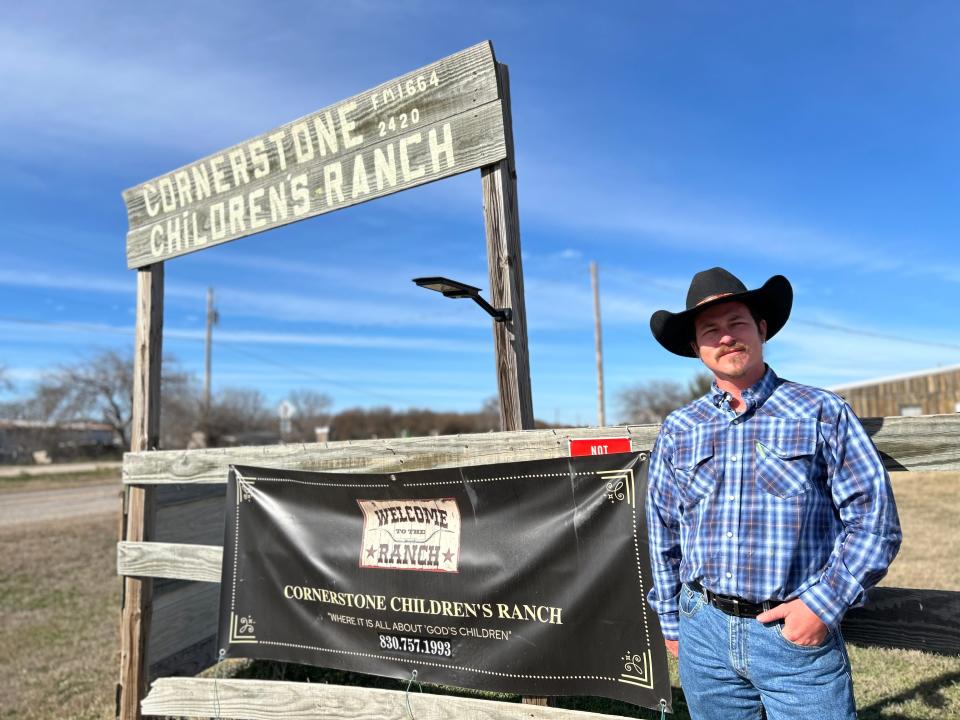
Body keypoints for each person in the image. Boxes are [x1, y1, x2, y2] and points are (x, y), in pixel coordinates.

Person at [645, 267, 901, 720]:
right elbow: (663, 534)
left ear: (761, 329)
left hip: (794, 637)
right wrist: (672, 619)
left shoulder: (821, 411)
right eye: (710, 330)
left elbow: (874, 524)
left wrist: (821, 607)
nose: (725, 338)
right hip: (702, 632)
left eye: (736, 323)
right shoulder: (679, 428)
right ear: (695, 347)